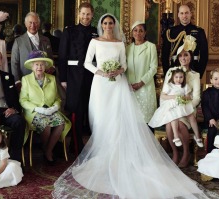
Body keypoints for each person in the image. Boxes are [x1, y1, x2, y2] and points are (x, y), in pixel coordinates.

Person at [52, 13, 209, 199]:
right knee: (100, 118)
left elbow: (125, 64)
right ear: (101, 25)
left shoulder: (120, 43)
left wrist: (118, 70)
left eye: (111, 23)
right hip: (101, 84)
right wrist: (101, 72)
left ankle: (119, 154)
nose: (108, 25)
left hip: (118, 83)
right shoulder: (95, 41)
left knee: (118, 118)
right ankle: (103, 153)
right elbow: (87, 62)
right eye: (105, 23)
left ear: (114, 25)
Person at [58, 2, 98, 154]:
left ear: (92, 15)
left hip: (92, 76)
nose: (85, 17)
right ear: (78, 14)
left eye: (88, 14)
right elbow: (62, 56)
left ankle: (92, 144)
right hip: (74, 77)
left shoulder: (96, 32)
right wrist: (63, 78)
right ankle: (76, 144)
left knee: (91, 109)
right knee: (77, 110)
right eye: (83, 14)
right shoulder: (69, 31)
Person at [19, 50, 71, 164]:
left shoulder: (51, 79)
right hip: (33, 111)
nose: (39, 67)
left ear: (45, 66)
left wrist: (54, 108)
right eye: (36, 64)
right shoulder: (26, 79)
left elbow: (57, 98)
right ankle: (46, 149)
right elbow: (23, 100)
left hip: (50, 110)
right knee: (46, 125)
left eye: (42, 64)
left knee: (61, 123)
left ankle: (48, 150)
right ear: (32, 66)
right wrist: (37, 109)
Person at [163, 35, 201, 167]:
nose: (183, 58)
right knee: (169, 125)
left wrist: (187, 108)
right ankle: (175, 152)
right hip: (172, 106)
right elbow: (165, 93)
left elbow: (196, 97)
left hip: (187, 109)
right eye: (180, 56)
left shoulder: (195, 75)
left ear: (190, 57)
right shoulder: (171, 72)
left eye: (186, 55)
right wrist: (169, 106)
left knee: (179, 124)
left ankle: (186, 153)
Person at [149, 67, 203, 148]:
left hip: (182, 104)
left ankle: (197, 136)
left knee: (191, 117)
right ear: (173, 77)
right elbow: (163, 96)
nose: (178, 79)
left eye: (181, 77)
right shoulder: (169, 86)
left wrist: (184, 98)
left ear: (184, 78)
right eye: (176, 77)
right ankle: (176, 136)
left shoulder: (185, 86)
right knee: (173, 117)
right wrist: (173, 96)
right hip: (172, 105)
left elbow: (188, 96)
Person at [126, 21, 157, 129]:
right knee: (132, 120)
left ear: (145, 33)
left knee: (146, 121)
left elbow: (153, 68)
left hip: (146, 87)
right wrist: (128, 84)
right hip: (131, 88)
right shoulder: (127, 48)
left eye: (141, 31)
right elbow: (125, 68)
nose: (138, 33)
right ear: (132, 32)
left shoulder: (151, 47)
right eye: (135, 30)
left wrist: (141, 83)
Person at [161, 4, 208, 78]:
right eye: (182, 13)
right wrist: (167, 73)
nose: (184, 16)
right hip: (174, 69)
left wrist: (199, 73)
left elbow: (204, 55)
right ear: (178, 15)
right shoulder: (171, 32)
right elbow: (165, 55)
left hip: (194, 68)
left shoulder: (199, 31)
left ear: (190, 14)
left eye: (186, 13)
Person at [11, 12, 53, 90]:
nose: (33, 25)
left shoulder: (46, 40)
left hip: (44, 82)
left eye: (35, 23)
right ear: (25, 24)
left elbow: (50, 58)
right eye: (30, 22)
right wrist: (17, 81)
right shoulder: (18, 41)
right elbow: (14, 63)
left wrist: (51, 67)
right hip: (25, 82)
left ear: (39, 24)